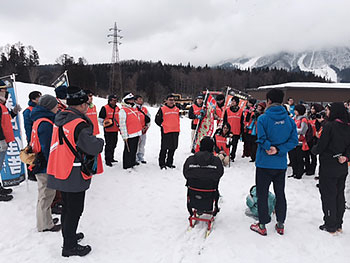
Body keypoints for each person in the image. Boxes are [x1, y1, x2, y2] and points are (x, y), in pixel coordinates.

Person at [47, 86, 104, 257]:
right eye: (86, 103)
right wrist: (99, 141)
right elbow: (92, 147)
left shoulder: (61, 118)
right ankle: (69, 246)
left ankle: (69, 236)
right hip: (74, 172)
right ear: (80, 105)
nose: (88, 106)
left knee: (67, 208)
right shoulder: (79, 124)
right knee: (74, 210)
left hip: (60, 169)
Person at [250, 88, 298, 236]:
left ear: (268, 101)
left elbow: (261, 138)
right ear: (282, 101)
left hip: (264, 163)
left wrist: (269, 147)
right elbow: (294, 141)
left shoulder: (263, 119)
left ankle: (262, 225)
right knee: (280, 193)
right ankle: (280, 223)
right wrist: (279, 149)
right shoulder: (290, 120)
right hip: (280, 164)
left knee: (262, 194)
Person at [311, 102, 350, 234]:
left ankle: (330, 224)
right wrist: (346, 157)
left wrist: (314, 149)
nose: (327, 113)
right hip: (342, 165)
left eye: (328, 110)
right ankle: (338, 223)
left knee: (328, 195)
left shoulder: (330, 126)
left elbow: (322, 146)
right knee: (339, 194)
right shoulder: (347, 126)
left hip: (329, 165)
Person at [30, 95, 61, 232]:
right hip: (45, 165)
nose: (57, 108)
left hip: (40, 163)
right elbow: (49, 148)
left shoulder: (39, 120)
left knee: (45, 194)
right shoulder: (46, 124)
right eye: (56, 106)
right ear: (49, 107)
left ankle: (46, 219)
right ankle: (45, 225)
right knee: (46, 194)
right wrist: (53, 166)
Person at [183, 136, 224, 212]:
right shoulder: (216, 161)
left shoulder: (190, 160)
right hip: (210, 192)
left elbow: (185, 173)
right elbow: (220, 173)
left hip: (193, 192)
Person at [155, 94, 180, 170]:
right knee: (164, 148)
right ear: (166, 101)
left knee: (173, 147)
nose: (171, 101)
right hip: (166, 131)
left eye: (173, 100)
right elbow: (157, 120)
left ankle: (169, 162)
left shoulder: (177, 109)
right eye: (170, 100)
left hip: (175, 130)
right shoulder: (162, 109)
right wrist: (163, 125)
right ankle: (162, 163)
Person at [0, 80, 15, 201]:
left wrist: (14, 113)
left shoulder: (2, 105)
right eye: (3, 90)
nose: (5, 93)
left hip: (4, 141)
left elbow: (6, 119)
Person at [118, 93, 142, 170]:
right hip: (129, 134)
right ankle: (127, 164)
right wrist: (124, 136)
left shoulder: (134, 108)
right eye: (130, 100)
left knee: (134, 149)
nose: (132, 101)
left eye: (132, 99)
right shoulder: (123, 110)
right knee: (128, 150)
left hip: (136, 132)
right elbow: (122, 124)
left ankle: (132, 162)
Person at [23, 90, 42, 181]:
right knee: (32, 154)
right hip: (33, 137)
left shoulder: (40, 108)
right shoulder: (28, 111)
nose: (40, 99)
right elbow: (27, 126)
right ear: (33, 99)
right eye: (39, 97)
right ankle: (31, 173)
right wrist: (30, 138)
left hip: (40, 135)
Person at [98, 94, 120, 167]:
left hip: (115, 130)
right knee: (109, 145)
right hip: (108, 130)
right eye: (114, 100)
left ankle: (112, 157)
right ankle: (108, 159)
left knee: (114, 144)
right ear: (110, 101)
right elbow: (100, 119)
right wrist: (106, 124)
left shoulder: (117, 108)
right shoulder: (104, 108)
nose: (115, 102)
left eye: (116, 100)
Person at [289, 104, 309, 179]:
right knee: (293, 158)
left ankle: (299, 173)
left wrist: (293, 131)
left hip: (300, 142)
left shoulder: (303, 119)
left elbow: (303, 130)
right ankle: (294, 172)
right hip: (293, 141)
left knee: (299, 158)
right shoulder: (294, 118)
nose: (294, 111)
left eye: (296, 110)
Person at [223, 96, 244, 162]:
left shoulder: (240, 111)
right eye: (232, 101)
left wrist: (241, 131)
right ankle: (226, 156)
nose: (232, 102)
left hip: (237, 131)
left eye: (234, 101)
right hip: (228, 131)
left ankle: (232, 156)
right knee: (227, 145)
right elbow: (224, 121)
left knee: (234, 145)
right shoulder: (227, 110)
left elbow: (242, 121)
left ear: (237, 102)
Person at [134, 95, 151, 164]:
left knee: (142, 144)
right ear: (135, 100)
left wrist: (147, 126)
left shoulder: (144, 109)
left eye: (141, 99)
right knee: (136, 144)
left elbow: (148, 118)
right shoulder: (133, 108)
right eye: (139, 99)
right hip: (136, 130)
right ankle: (135, 157)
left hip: (143, 130)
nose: (141, 100)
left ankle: (141, 156)